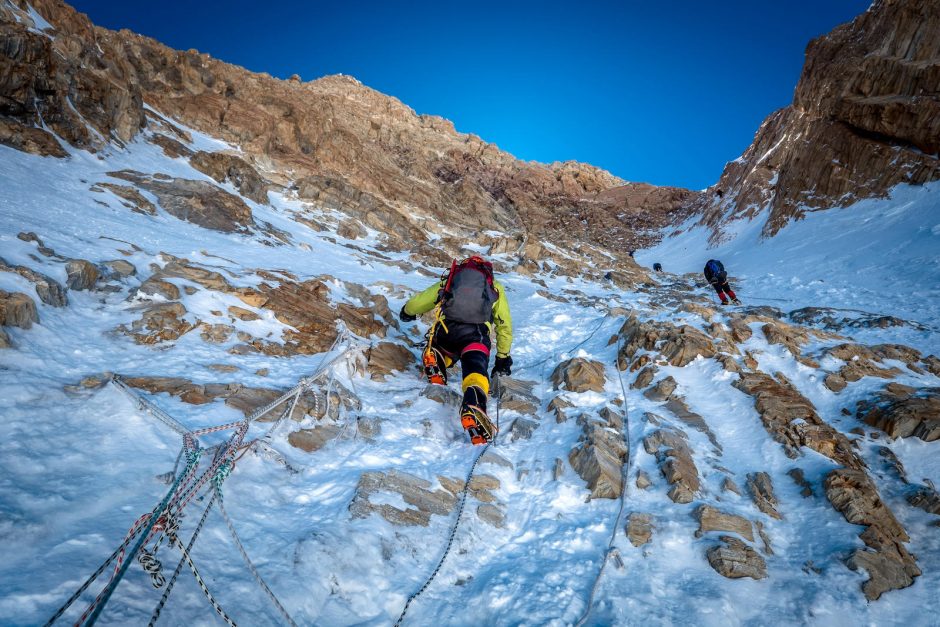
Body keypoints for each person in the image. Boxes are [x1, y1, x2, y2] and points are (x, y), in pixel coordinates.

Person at [399, 255, 513, 445]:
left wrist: (407, 311)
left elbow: (421, 301)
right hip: (475, 336)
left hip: (446, 332)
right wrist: (502, 357)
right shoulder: (494, 286)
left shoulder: (453, 278)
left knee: (445, 348)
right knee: (475, 370)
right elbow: (504, 325)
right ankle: (473, 404)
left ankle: (440, 358)